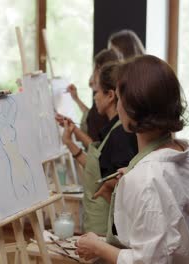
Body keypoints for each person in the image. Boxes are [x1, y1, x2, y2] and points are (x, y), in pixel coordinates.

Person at [76, 55, 189, 263]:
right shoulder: (185, 157)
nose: (118, 105)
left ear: (133, 109)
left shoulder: (145, 178)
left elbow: (147, 261)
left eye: (120, 98)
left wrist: (98, 247)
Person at [58, 62, 138, 235]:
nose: (94, 97)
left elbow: (122, 180)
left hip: (107, 227)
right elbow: (97, 168)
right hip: (99, 224)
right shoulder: (113, 129)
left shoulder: (120, 134)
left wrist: (108, 187)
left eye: (96, 91)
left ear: (110, 95)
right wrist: (70, 142)